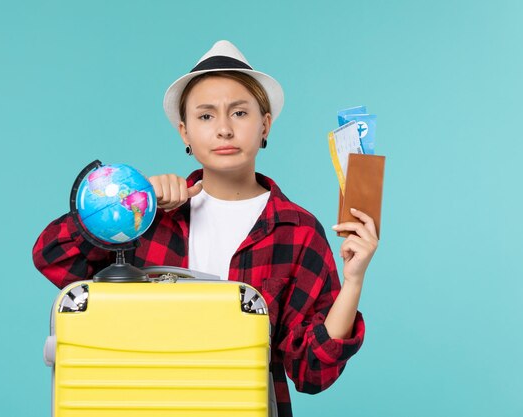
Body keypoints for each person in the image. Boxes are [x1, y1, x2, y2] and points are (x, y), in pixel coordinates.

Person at [33, 40, 378, 417]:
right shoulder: (146, 216)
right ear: (184, 132)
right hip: (140, 404)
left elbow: (311, 372)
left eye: (240, 113)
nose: (225, 130)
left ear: (265, 125)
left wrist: (355, 279)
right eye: (206, 116)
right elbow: (52, 257)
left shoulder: (298, 232)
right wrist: (130, 198)